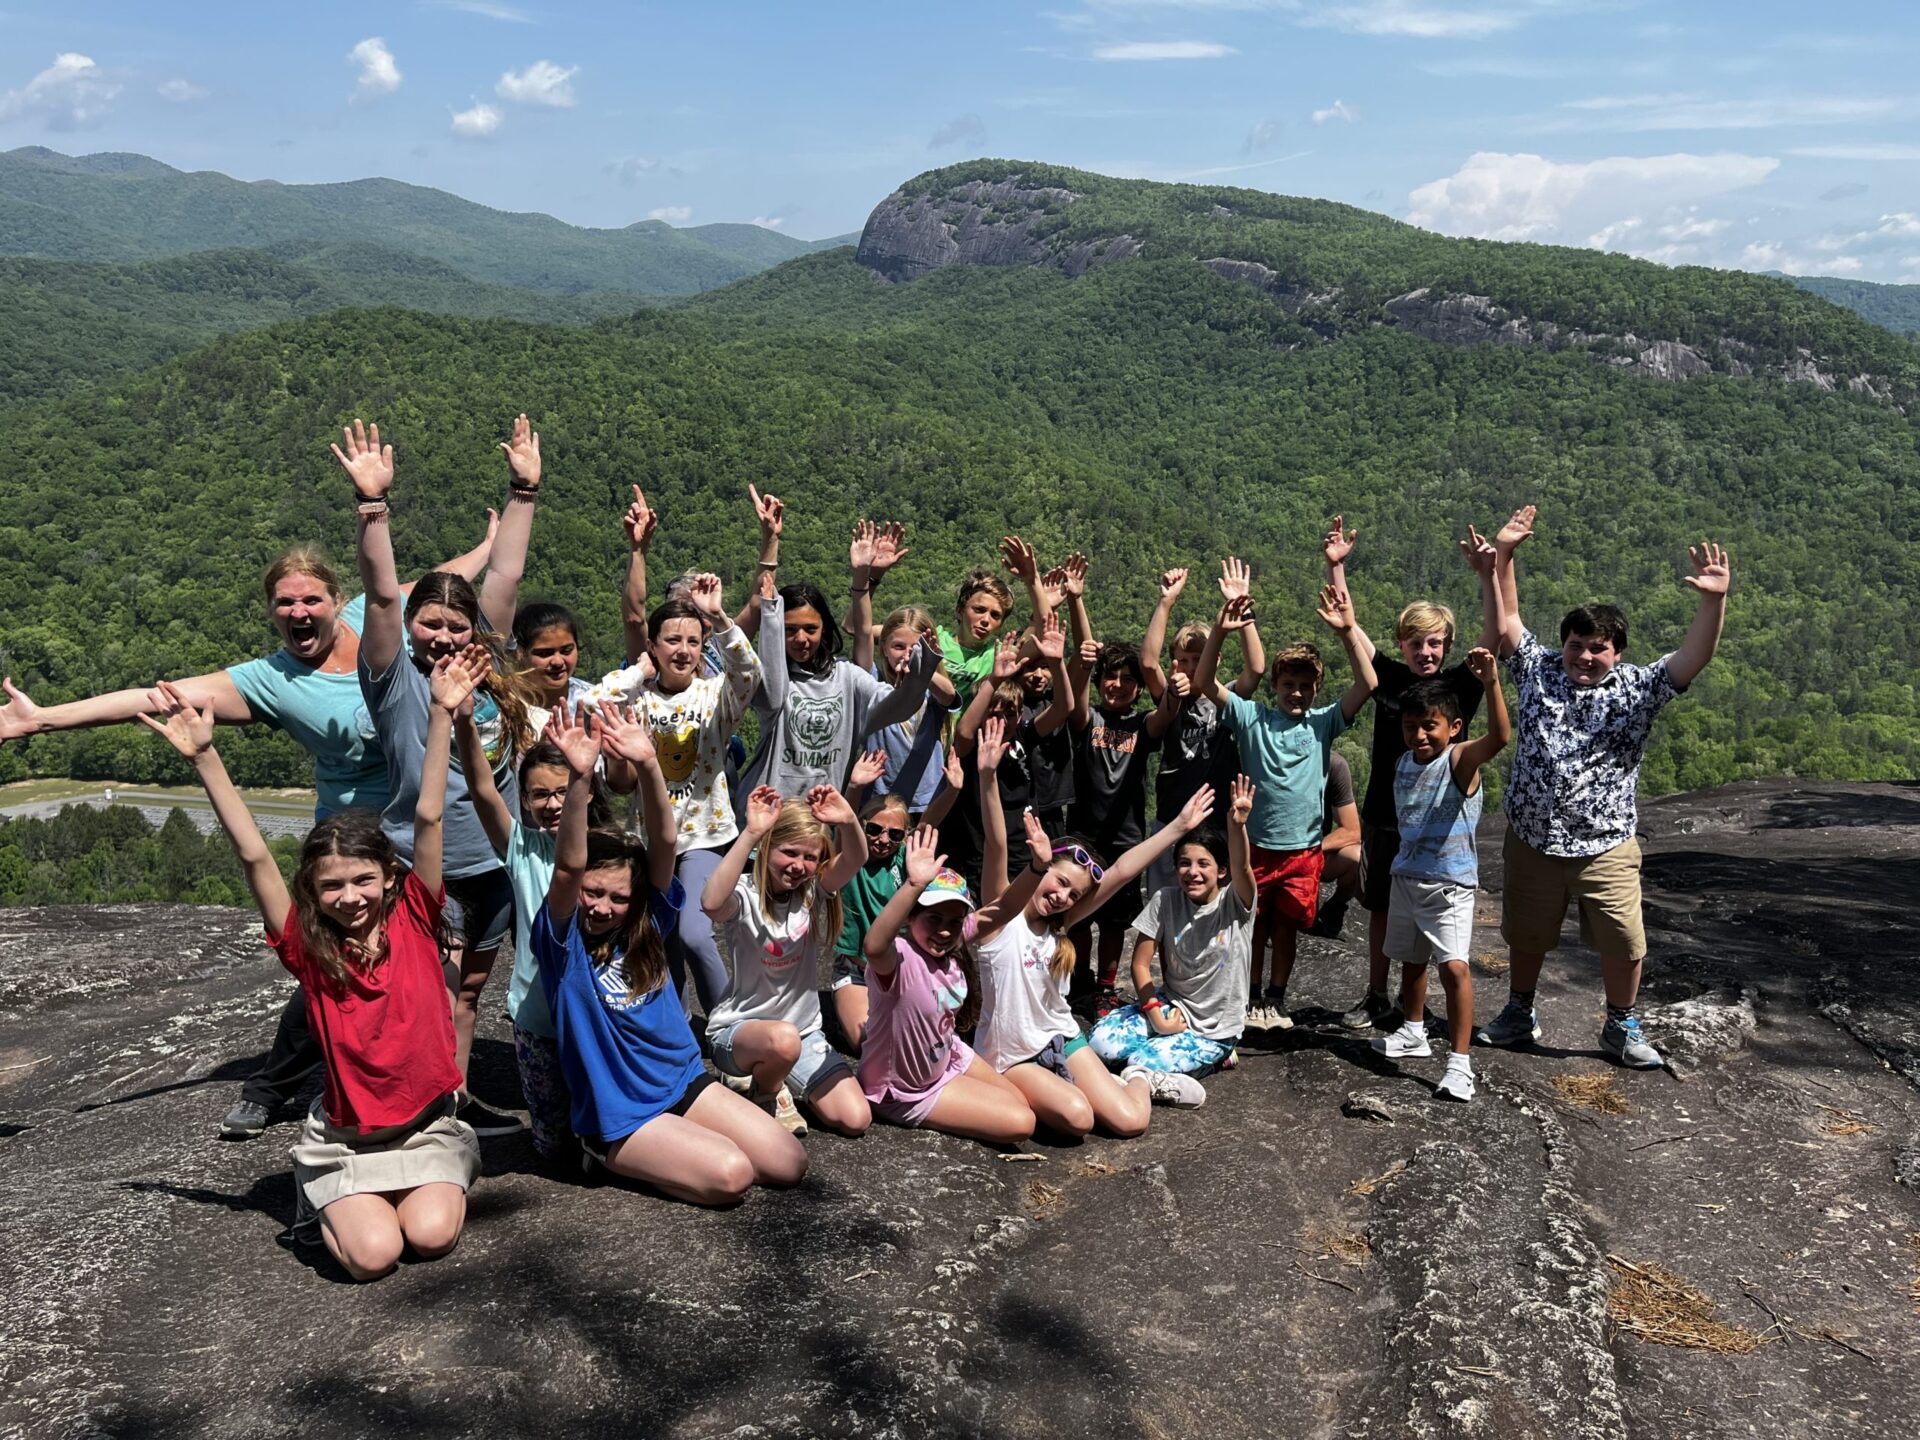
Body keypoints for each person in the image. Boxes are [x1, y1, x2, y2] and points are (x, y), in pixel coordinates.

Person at [0, 529, 491, 1140]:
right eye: (285, 603)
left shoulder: (371, 617)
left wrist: (490, 541)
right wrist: (42, 720)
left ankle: (427, 1081)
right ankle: (269, 1088)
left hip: (419, 822)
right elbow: (155, 698)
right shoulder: (270, 679)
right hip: (352, 838)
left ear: (338, 601)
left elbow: (437, 580)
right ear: (271, 611)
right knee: (331, 960)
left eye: (310, 599)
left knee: (408, 964)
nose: (298, 612)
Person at [139, 656, 485, 1281]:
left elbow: (427, 815)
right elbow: (254, 856)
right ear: (312, 892)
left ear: (390, 877)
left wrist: (440, 713)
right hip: (349, 1139)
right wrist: (206, 758)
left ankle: (403, 1190)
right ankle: (318, 1195)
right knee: (373, 1258)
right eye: (331, 886)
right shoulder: (309, 948)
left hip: (426, 1127)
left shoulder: (415, 916)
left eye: (363, 880)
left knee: (432, 1237)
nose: (350, 897)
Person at [1469, 510, 1730, 1068]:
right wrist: (1505, 554)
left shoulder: (1639, 687)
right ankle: (1519, 1012)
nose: (1585, 656)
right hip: (1533, 838)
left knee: (1623, 940)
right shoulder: (1539, 669)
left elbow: (1694, 657)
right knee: (1527, 934)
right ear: (1563, 644)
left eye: (1598, 647)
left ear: (1618, 651)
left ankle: (1621, 1024)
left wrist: (1713, 601)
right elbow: (1508, 617)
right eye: (1576, 644)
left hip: (1605, 843)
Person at [344, 417, 543, 1132]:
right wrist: (373, 507)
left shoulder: (488, 669)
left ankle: (451, 1108)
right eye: (431, 623)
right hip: (421, 864)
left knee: (467, 996)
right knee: (431, 988)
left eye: (457, 626)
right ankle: (418, 1106)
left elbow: (506, 575)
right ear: (411, 626)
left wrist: (524, 491)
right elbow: (379, 595)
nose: (446, 637)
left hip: (496, 863)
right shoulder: (394, 677)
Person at [533, 704, 807, 1202]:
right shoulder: (563, 942)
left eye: (618, 897)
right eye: (593, 893)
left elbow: (664, 840)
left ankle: (679, 1146)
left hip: (681, 1081)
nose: (601, 907)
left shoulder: (649, 923)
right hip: (620, 1112)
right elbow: (569, 867)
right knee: (732, 1175)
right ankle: (601, 1153)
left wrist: (648, 763)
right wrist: (579, 779)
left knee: (789, 1163)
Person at [971, 718, 1211, 1135]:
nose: (1063, 896)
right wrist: (988, 777)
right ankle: (1071, 1087)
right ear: (1043, 866)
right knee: (1077, 1117)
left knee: (1131, 1121)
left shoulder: (1058, 925)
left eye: (1074, 894)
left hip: (1061, 1036)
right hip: (1012, 1056)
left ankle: (1138, 1077)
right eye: (1060, 881)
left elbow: (1120, 871)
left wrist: (1178, 828)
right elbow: (996, 843)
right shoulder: (1001, 917)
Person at [1318, 517, 1487, 1028]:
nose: (1425, 652)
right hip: (1384, 816)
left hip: (1438, 826)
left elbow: (1497, 637)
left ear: (1448, 645)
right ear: (1402, 643)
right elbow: (1348, 626)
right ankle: (1376, 995)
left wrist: (1492, 572)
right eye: (1415, 643)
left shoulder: (1461, 685)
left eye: (1434, 643)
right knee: (1381, 908)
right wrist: (1336, 567)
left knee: (1431, 918)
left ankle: (1414, 1007)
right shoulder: (1387, 677)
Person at [1192, 573, 1379, 1032]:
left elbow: (1368, 683)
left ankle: (1276, 998)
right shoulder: (1251, 717)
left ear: (1317, 688)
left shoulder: (1323, 723)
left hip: (1303, 851)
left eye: (1305, 685)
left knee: (1286, 927)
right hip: (1255, 847)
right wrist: (1221, 629)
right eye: (1288, 683)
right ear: (1275, 685)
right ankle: (1251, 996)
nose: (1296, 692)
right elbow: (1204, 681)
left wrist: (1347, 632)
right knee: (1253, 926)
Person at [578, 575, 761, 1020]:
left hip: (704, 835)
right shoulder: (638, 699)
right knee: (662, 937)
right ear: (653, 647)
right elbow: (591, 704)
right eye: (672, 640)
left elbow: (749, 673)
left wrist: (719, 619)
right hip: (649, 837)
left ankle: (727, 1025)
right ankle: (676, 1026)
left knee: (695, 933)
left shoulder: (714, 696)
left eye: (693, 642)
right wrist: (638, 672)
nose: (683, 650)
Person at [1370, 647, 1511, 1102]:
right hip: (1407, 876)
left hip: (1449, 883)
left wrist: (1491, 683)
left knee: (1453, 967)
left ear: (1454, 727)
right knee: (1412, 961)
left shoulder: (1458, 760)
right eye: (1410, 725)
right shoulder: (1402, 763)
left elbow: (1500, 737)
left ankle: (1460, 1063)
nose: (1419, 735)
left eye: (1430, 725)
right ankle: (1413, 1031)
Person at [701, 784, 870, 1137]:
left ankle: (770, 1074)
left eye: (810, 857)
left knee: (855, 1118)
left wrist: (848, 819)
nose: (798, 866)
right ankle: (768, 1091)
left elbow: (855, 858)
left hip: (802, 1034)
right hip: (740, 1033)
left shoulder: (811, 892)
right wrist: (751, 833)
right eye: (789, 852)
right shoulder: (745, 894)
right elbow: (711, 903)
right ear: (767, 847)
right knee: (783, 1041)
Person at [858, 826, 1036, 1144]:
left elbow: (1005, 908)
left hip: (947, 1054)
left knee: (1021, 1102)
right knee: (1022, 1122)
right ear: (911, 917)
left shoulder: (952, 941)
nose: (944, 930)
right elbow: (873, 946)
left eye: (955, 921)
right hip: (905, 1092)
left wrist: (1038, 867)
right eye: (933, 918)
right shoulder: (900, 958)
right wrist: (914, 884)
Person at [1090, 775, 1258, 1078]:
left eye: (1203, 864)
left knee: (1142, 1066)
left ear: (1221, 871)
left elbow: (1243, 867)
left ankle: (1221, 1055)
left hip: (1213, 1028)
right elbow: (1140, 964)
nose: (1192, 872)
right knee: (1100, 1045)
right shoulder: (1165, 900)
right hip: (1172, 1005)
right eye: (1184, 863)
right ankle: (1167, 1040)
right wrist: (1157, 1017)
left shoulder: (1236, 904)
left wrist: (1237, 826)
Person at [741, 570, 938, 807]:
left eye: (810, 629)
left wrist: (919, 678)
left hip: (822, 815)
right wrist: (769, 617)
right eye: (789, 629)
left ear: (824, 628)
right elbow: (770, 692)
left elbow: (896, 706)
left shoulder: (847, 676)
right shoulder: (771, 679)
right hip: (767, 812)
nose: (801, 639)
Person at [1065, 640, 1181, 1006]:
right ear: (1099, 681)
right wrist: (1084, 665)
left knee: (1114, 921)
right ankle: (1080, 979)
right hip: (1083, 835)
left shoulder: (1141, 724)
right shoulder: (1089, 719)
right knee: (1077, 916)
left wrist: (1174, 691)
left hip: (1125, 838)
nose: (1117, 684)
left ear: (1140, 688)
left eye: (1128, 679)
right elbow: (1075, 704)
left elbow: (1164, 717)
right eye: (1110, 676)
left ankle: (1105, 986)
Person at [1139, 561, 1265, 898]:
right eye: (1183, 660)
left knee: (1217, 910)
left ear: (1216, 660)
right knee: (1164, 906)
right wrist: (1166, 602)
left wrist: (1242, 610)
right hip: (1171, 818)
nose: (1191, 667)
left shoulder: (1227, 698)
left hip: (1219, 822)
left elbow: (1256, 670)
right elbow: (1148, 663)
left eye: (1199, 659)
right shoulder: (1171, 697)